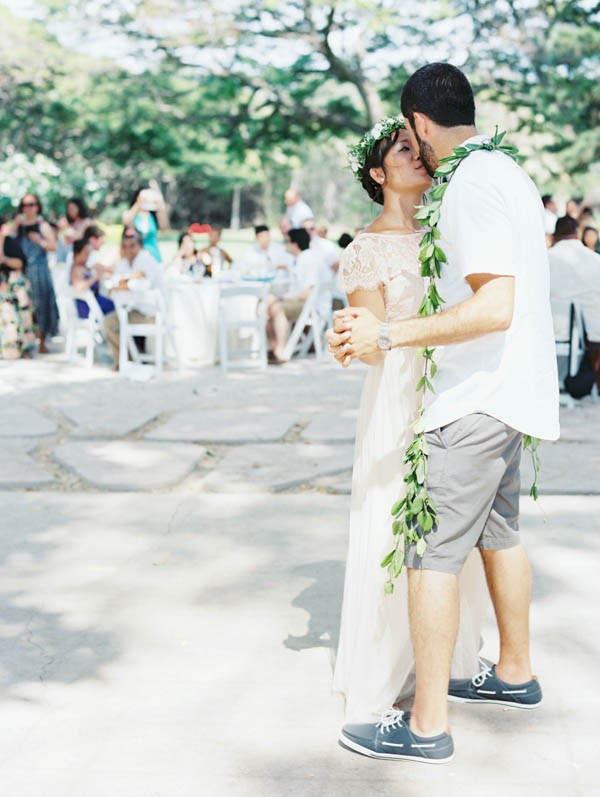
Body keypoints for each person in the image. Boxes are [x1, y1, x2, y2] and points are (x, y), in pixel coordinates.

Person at [328, 63, 559, 764]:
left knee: (431, 554)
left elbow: (493, 306)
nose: (410, 149)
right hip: (506, 390)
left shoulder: (467, 186)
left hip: (472, 395)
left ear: (422, 126)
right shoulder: (505, 173)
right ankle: (513, 671)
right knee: (499, 529)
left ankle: (426, 722)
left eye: (409, 137)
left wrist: (390, 334)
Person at [329, 116, 488, 728]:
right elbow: (370, 345)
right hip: (398, 396)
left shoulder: (448, 228)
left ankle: (440, 661)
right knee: (395, 523)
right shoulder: (366, 248)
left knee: (448, 529)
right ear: (378, 173)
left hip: (453, 386)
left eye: (416, 144)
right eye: (402, 149)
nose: (417, 155)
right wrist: (350, 339)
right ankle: (386, 667)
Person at [104, 229, 167, 368]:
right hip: (134, 310)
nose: (129, 250)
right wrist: (126, 280)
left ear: (139, 246)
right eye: (125, 246)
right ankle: (127, 359)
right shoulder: (123, 263)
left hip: (152, 313)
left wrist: (123, 283)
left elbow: (141, 285)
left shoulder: (146, 259)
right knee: (109, 322)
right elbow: (113, 284)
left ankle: (129, 361)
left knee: (116, 321)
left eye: (132, 246)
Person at [11, 193, 59, 353]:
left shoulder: (42, 225)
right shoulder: (19, 224)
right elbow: (8, 240)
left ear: (37, 206)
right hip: (23, 270)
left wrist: (38, 240)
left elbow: (53, 247)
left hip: (39, 269)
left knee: (41, 305)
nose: (28, 208)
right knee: (24, 305)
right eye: (25, 205)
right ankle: (24, 342)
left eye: (31, 204)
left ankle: (42, 341)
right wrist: (15, 226)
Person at [549, 215, 600, 354]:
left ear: (554, 236)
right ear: (577, 234)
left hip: (553, 338)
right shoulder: (595, 259)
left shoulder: (545, 259)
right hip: (594, 340)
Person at [0, 220, 36, 359]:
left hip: (14, 285)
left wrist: (4, 259)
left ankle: (24, 348)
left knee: (22, 317)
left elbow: (20, 263)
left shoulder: (10, 242)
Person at [69, 237, 116, 323]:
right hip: (89, 306)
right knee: (116, 309)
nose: (87, 257)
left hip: (95, 302)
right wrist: (94, 278)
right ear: (77, 253)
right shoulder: (76, 269)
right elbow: (78, 287)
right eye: (86, 253)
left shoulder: (84, 267)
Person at [122, 186, 168, 262]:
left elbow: (164, 227)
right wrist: (139, 203)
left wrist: (159, 204)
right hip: (135, 256)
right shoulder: (133, 214)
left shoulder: (152, 216)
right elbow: (126, 222)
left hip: (153, 255)